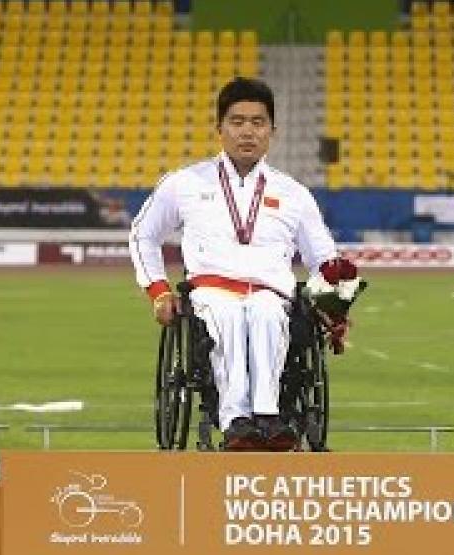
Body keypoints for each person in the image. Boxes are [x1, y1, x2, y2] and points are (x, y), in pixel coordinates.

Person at [129, 77, 349, 451]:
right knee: (228, 315)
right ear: (219, 129)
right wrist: (159, 290)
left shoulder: (294, 193)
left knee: (265, 313)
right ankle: (236, 421)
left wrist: (336, 309)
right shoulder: (182, 183)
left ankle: (268, 416)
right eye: (237, 121)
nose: (248, 131)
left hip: (271, 293)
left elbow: (325, 257)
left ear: (272, 132)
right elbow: (142, 235)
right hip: (210, 291)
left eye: (258, 122)